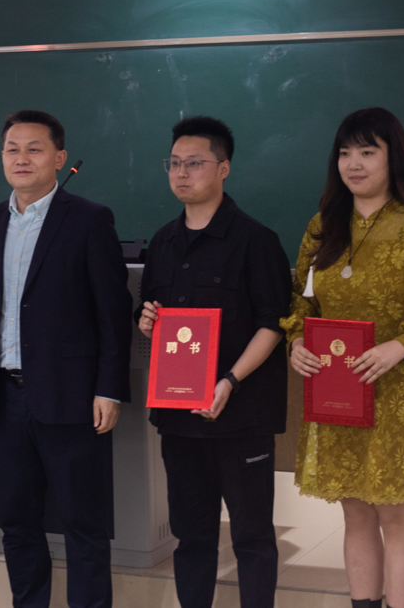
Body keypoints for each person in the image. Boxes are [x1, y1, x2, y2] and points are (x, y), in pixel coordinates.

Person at [283, 107, 404, 608]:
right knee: (356, 514)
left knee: (397, 517)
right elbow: (301, 303)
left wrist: (399, 345)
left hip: (399, 394)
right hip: (338, 394)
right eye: (345, 153)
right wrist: (297, 342)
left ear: (394, 158)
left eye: (368, 152)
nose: (354, 164)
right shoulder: (323, 227)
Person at [0, 110, 131, 608]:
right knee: (17, 523)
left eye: (34, 149)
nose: (22, 158)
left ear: (59, 158)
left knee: (83, 524)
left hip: (71, 396)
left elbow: (112, 313)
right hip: (1, 399)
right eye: (12, 149)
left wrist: (108, 388)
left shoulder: (89, 219)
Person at [137, 117, 290, 608]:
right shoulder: (162, 242)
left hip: (240, 416)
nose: (182, 173)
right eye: (174, 163)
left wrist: (230, 380)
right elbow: (151, 315)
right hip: (179, 420)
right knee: (192, 537)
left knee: (252, 538)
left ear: (223, 168)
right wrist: (147, 322)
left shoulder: (256, 241)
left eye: (195, 163)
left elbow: (273, 324)